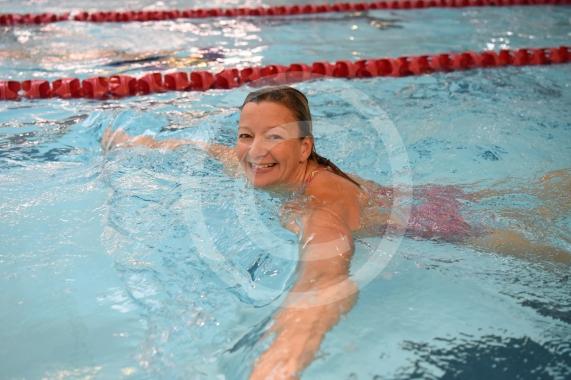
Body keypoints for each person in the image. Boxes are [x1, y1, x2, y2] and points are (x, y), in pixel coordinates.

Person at [101, 85, 570, 379]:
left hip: (442, 224)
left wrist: (279, 363)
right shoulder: (255, 161)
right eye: (247, 135)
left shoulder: (319, 206)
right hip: (432, 194)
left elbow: (323, 283)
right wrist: (136, 144)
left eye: (273, 137)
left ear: (305, 147)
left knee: (548, 258)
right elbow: (208, 151)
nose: (254, 150)